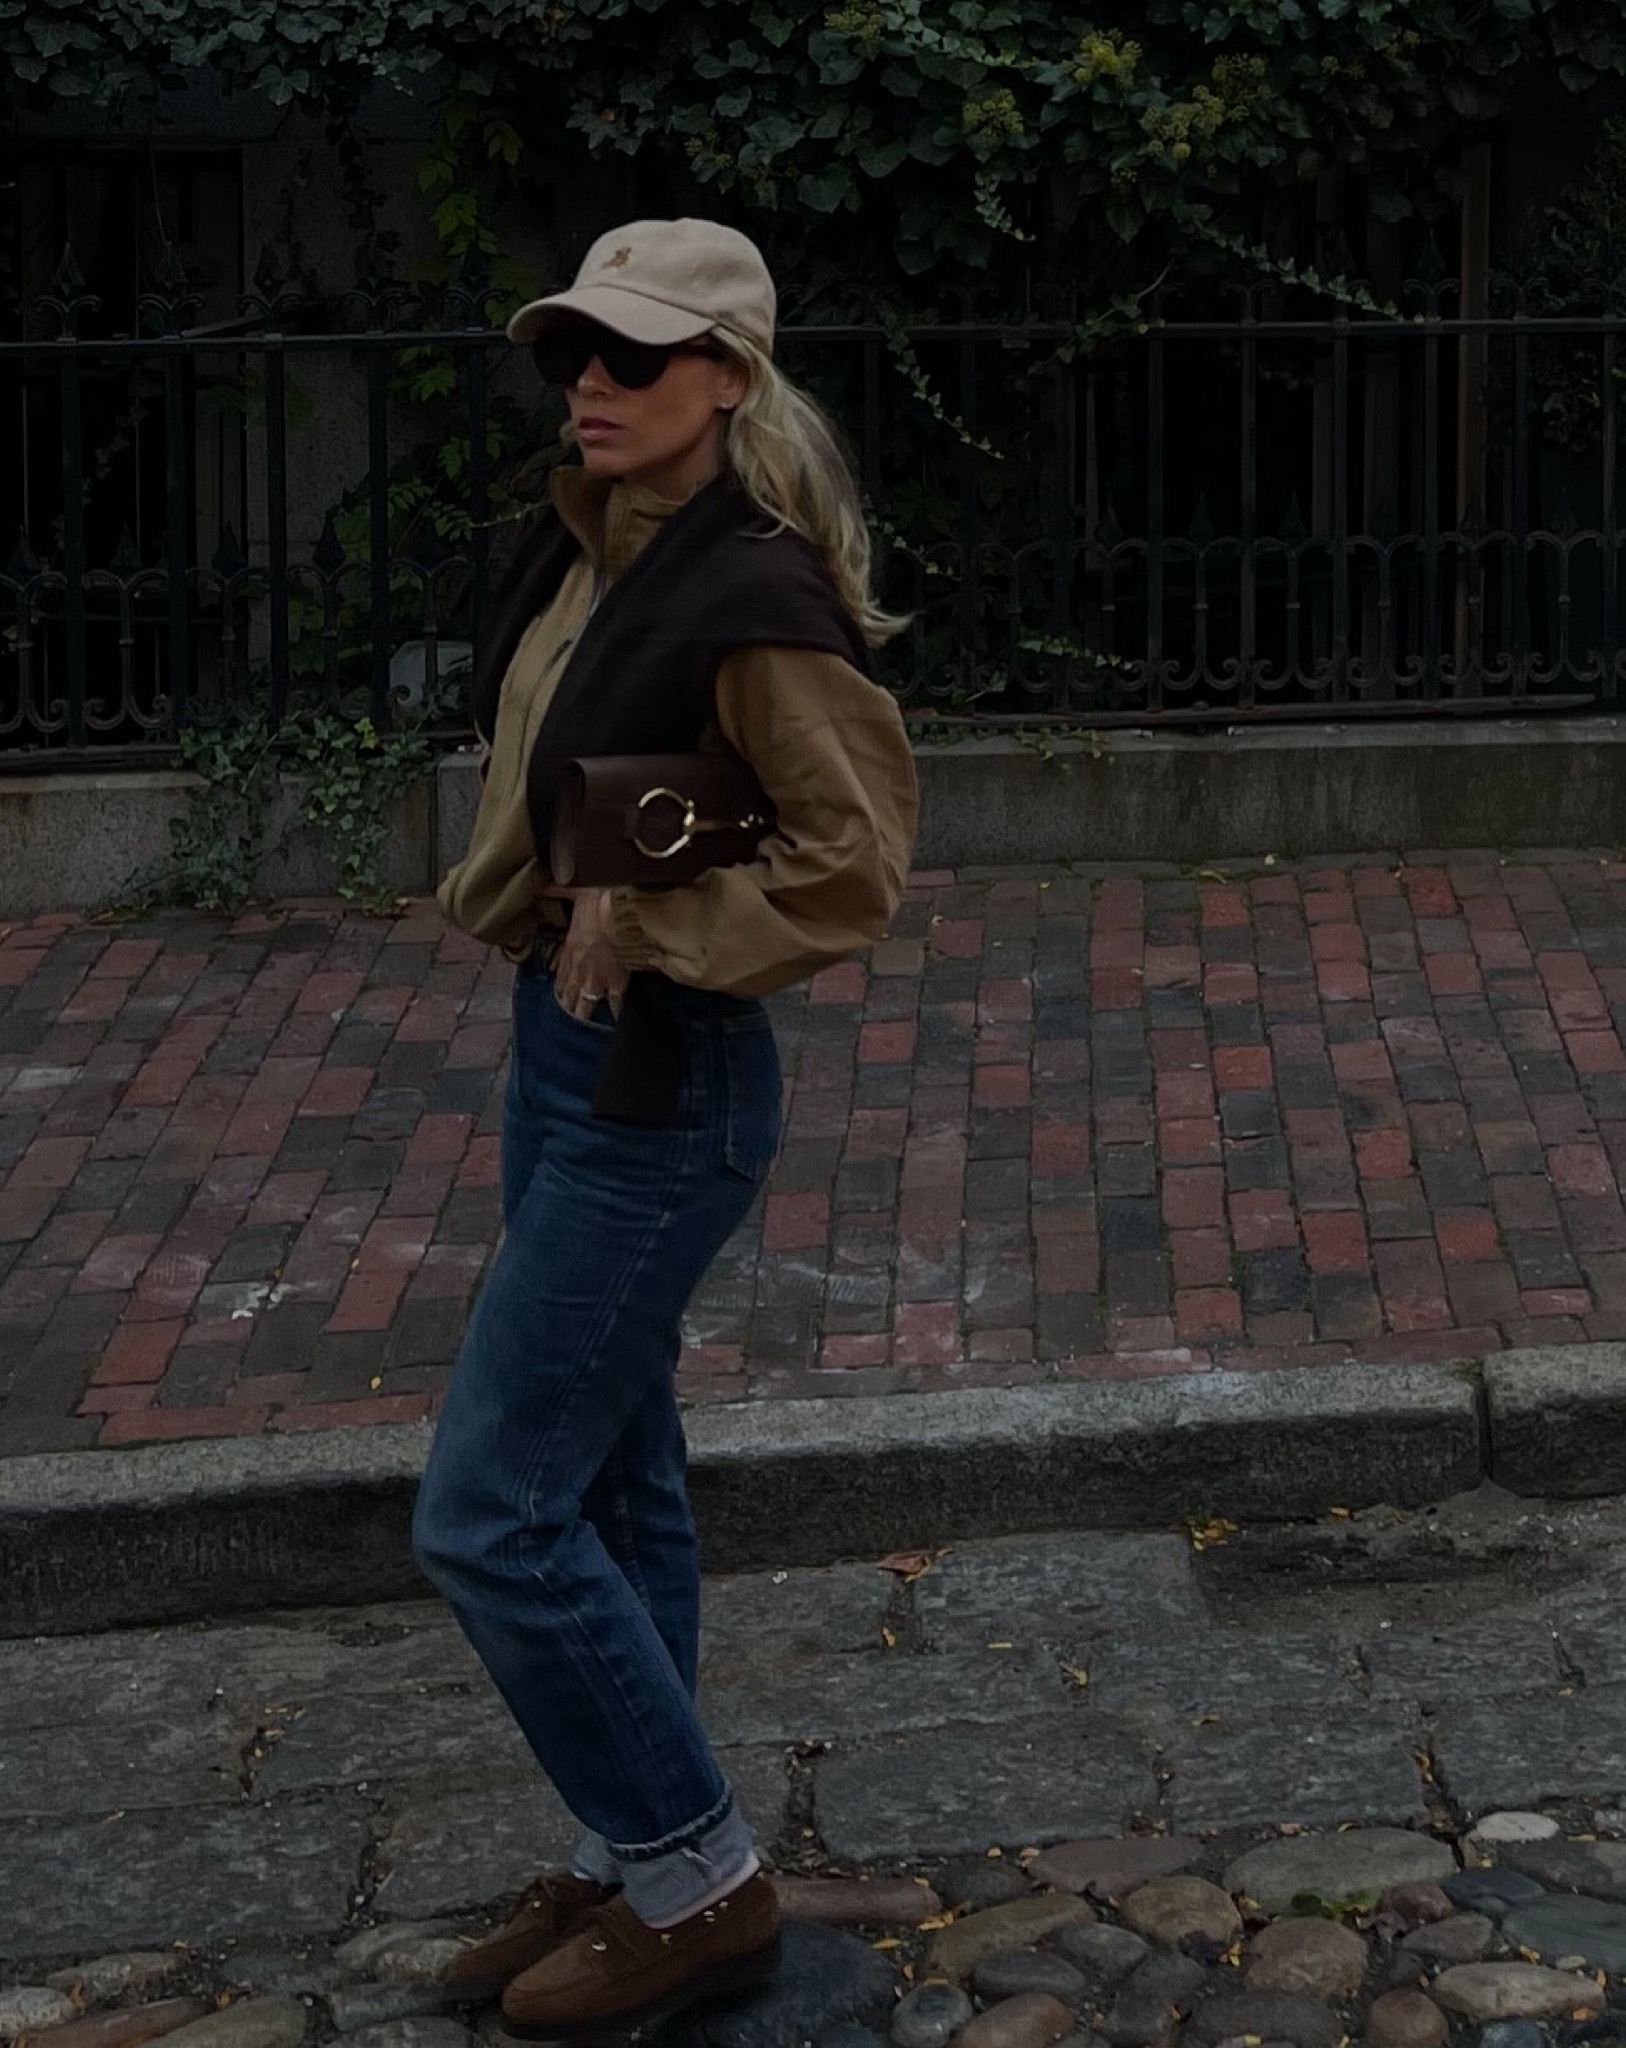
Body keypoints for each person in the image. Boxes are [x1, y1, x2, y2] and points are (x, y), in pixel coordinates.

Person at [415, 218, 918, 2043]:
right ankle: (635, 1855)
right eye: (575, 350)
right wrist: (595, 897)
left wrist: (657, 929)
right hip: (563, 1051)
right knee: (616, 1483)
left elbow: (854, 862)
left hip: (664, 1082)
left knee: (489, 1511)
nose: (592, 383)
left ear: (727, 378)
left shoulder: (754, 593)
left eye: (633, 356)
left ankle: (700, 1877)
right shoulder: (589, 546)